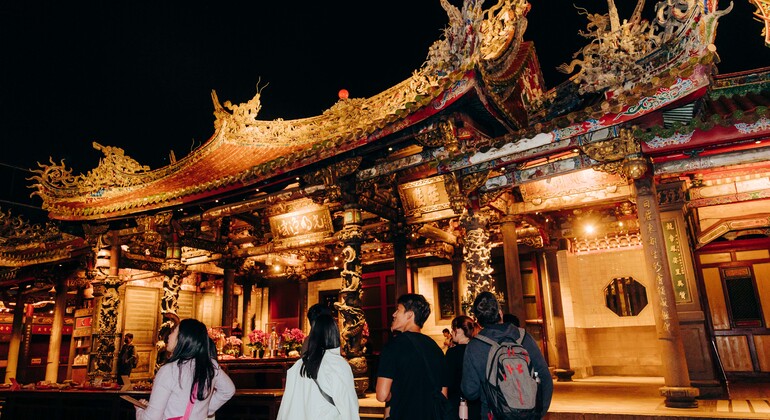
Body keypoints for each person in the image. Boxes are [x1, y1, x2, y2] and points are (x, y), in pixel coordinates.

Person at [461, 292, 553, 419]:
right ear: (500, 313)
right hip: (529, 415)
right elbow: (545, 376)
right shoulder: (523, 337)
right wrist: (540, 411)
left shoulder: (474, 347)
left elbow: (470, 392)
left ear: (478, 322)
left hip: (493, 415)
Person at [136, 319, 235, 420]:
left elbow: (151, 418)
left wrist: (139, 410)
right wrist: (205, 409)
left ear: (183, 338)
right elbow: (228, 390)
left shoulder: (169, 371)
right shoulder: (210, 366)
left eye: (173, 332)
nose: (169, 336)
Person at [376, 293, 447, 420]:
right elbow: (443, 394)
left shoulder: (393, 347)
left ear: (409, 314)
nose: (394, 314)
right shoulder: (435, 348)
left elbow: (382, 395)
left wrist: (394, 394)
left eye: (398, 310)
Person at [277, 314, 359, 419]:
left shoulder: (298, 365)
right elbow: (348, 405)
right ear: (335, 335)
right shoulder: (338, 364)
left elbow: (287, 405)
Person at [443, 316, 481, 420]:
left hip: (457, 403)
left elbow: (447, 381)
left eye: (452, 329)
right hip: (477, 403)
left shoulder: (452, 353)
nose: (451, 333)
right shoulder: (478, 350)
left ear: (459, 330)